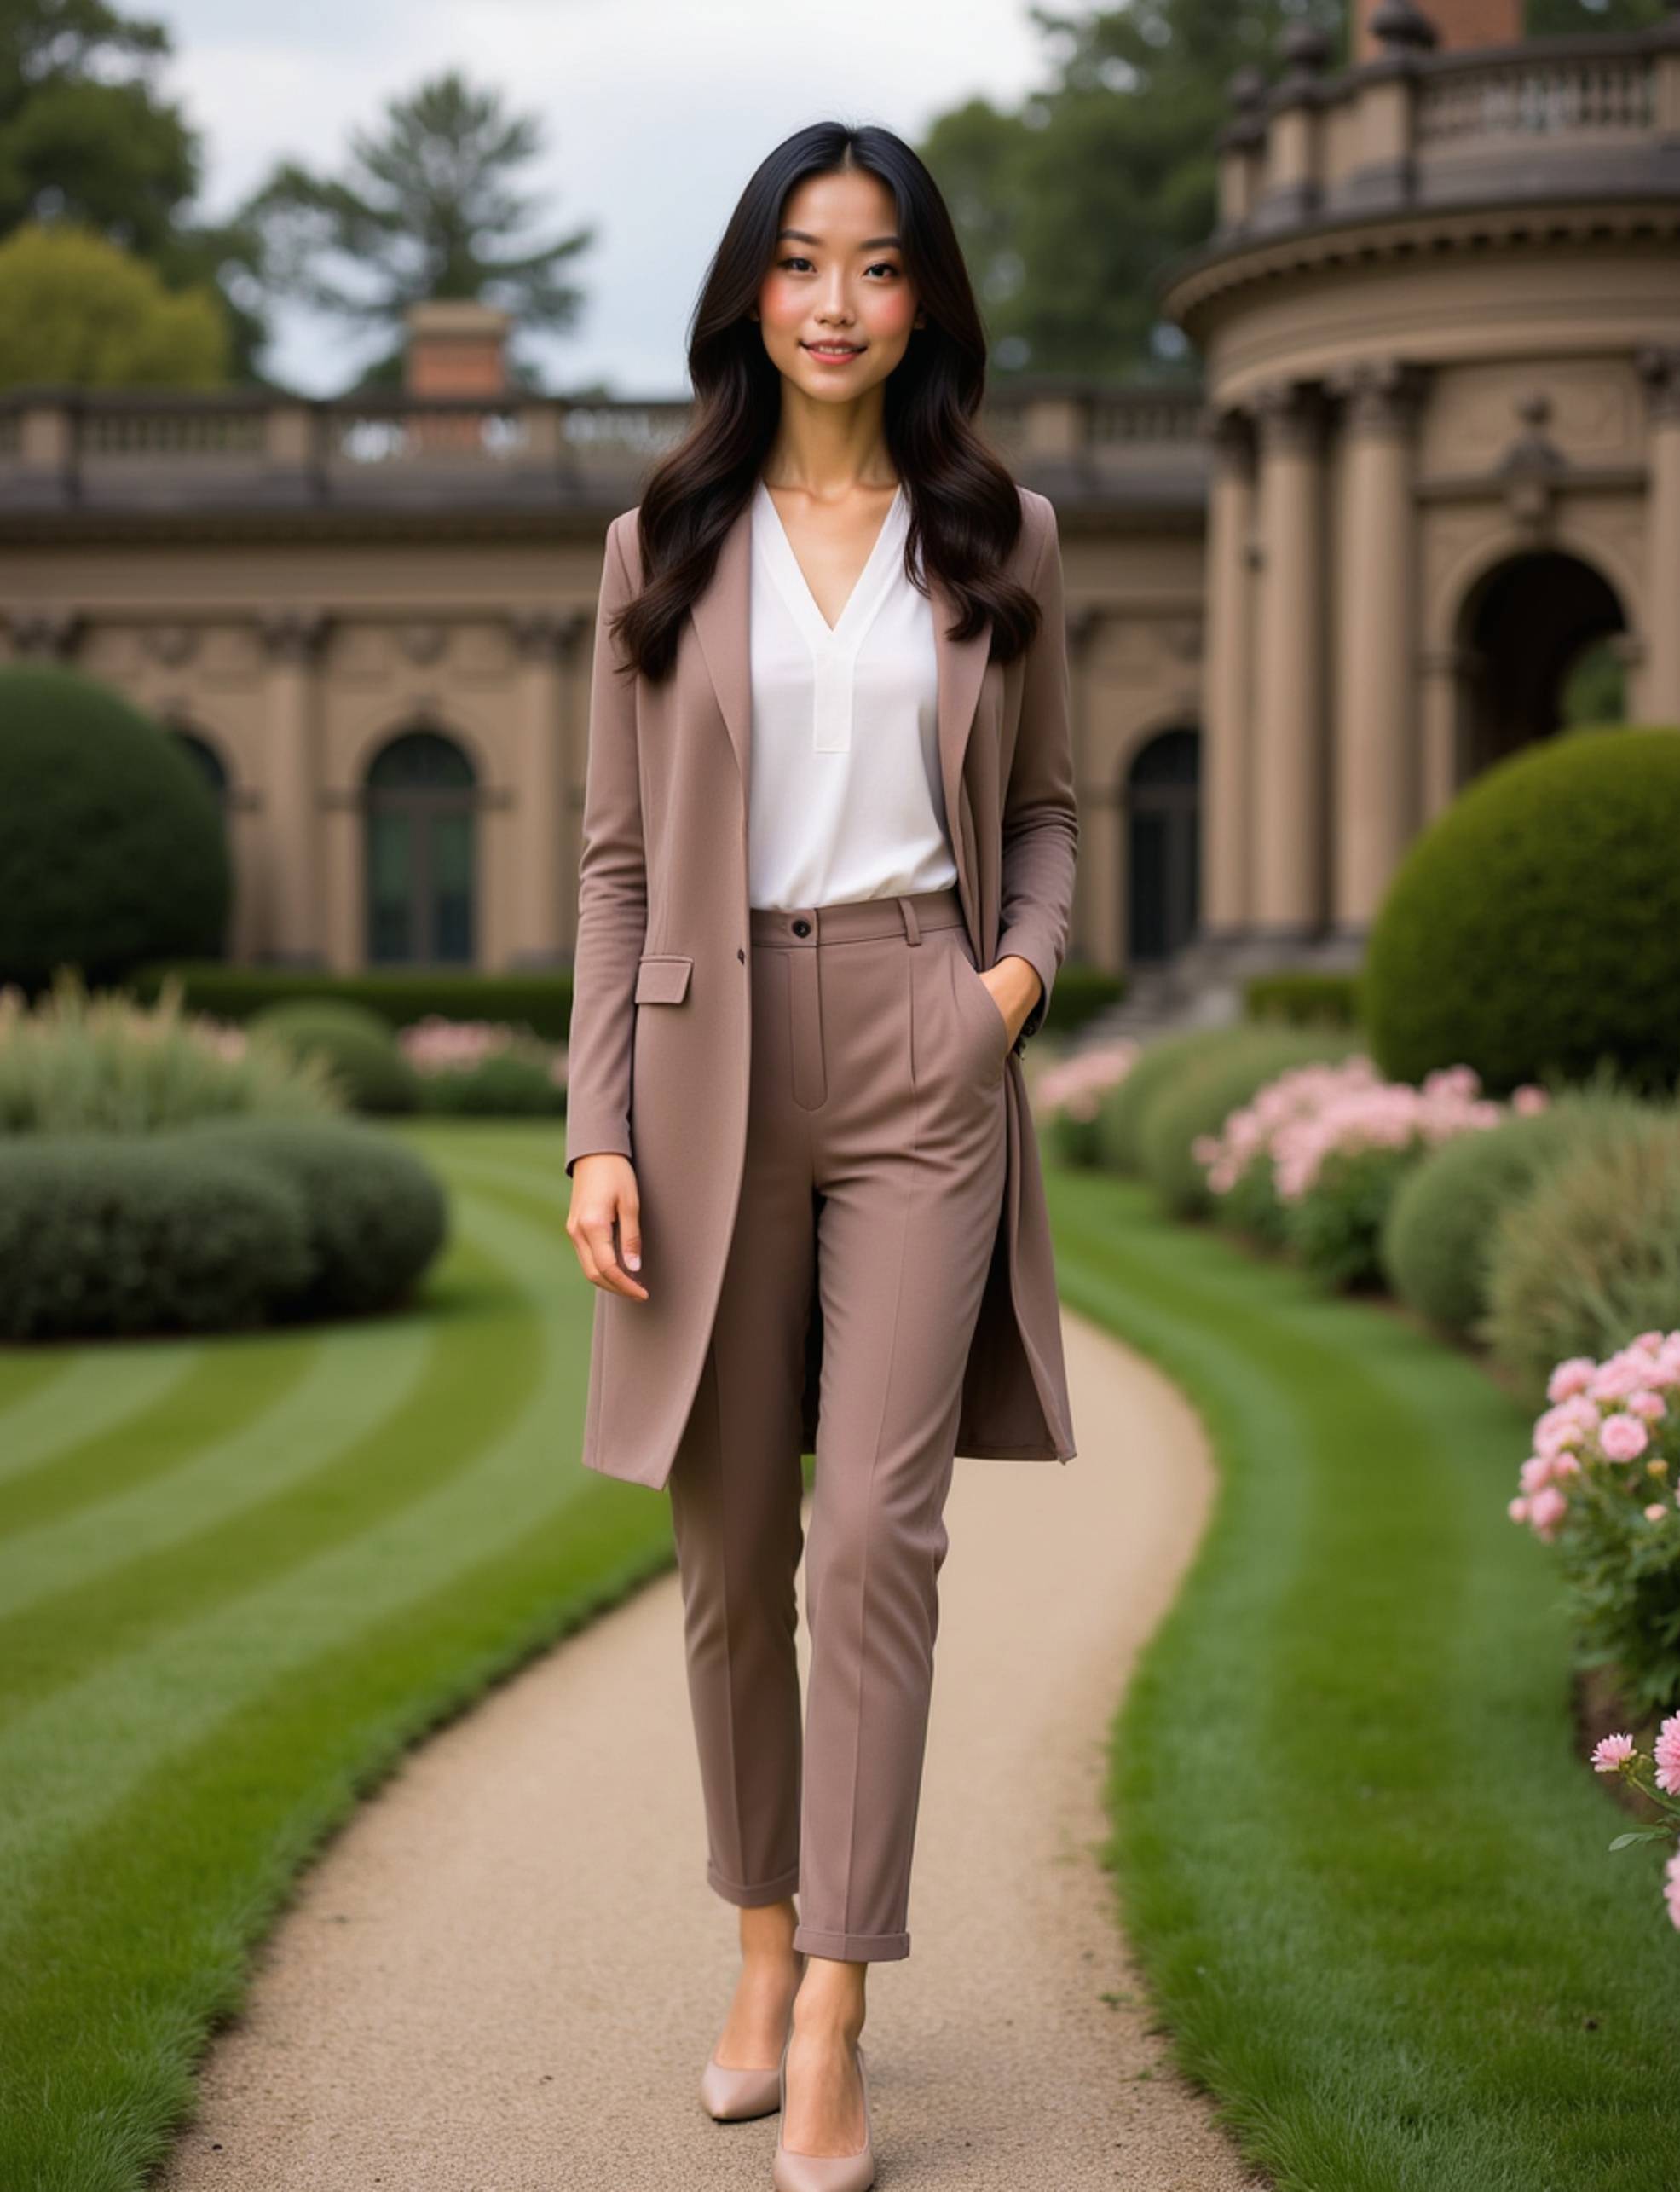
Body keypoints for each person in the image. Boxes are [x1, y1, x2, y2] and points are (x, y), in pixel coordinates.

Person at [563, 118, 1078, 2192]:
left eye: (874, 264)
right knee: (725, 1555)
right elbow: (611, 862)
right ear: (751, 293)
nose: (836, 301)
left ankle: (845, 2005)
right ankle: (757, 1949)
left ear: (924, 298)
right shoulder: (657, 542)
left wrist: (1004, 993)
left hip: (918, 1044)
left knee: (876, 1539)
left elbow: (1042, 817)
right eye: (798, 261)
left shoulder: (1007, 536)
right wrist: (594, 1124)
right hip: (702, 1057)